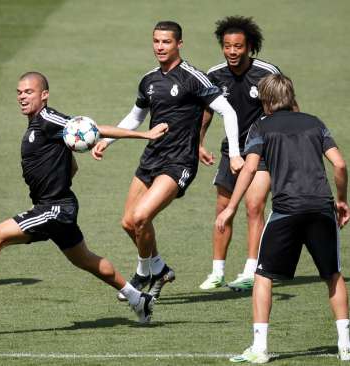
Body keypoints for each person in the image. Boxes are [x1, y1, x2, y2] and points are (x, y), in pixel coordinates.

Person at [0, 72, 169, 326]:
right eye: (19, 92)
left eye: (29, 92)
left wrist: (145, 135)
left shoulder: (48, 119)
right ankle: (137, 299)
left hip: (55, 207)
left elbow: (93, 129)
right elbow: (73, 168)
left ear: (44, 95)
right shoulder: (36, 125)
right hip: (56, 205)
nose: (22, 97)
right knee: (86, 260)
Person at [91, 21, 242, 300]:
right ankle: (159, 268)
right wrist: (108, 140)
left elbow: (228, 112)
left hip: (179, 162)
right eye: (156, 41)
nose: (160, 47)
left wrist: (234, 153)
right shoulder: (149, 80)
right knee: (128, 222)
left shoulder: (193, 77)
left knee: (141, 217)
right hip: (151, 157)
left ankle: (142, 273)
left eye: (166, 42)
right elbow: (136, 116)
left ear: (179, 44)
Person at [216, 74, 350, 363]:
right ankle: (345, 346)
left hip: (286, 211)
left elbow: (250, 170)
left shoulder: (261, 126)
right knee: (332, 274)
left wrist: (230, 208)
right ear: (291, 97)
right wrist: (341, 200)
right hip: (321, 208)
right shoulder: (314, 122)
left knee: (263, 275)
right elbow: (339, 164)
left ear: (265, 101)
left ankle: (260, 349)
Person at [198, 16, 287, 292]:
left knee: (253, 206)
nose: (232, 52)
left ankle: (251, 270)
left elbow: (289, 108)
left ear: (249, 47)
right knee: (223, 209)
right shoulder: (214, 75)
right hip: (231, 151)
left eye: (238, 47)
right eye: (227, 46)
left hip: (263, 151)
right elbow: (206, 113)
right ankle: (217, 271)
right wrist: (198, 142)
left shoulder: (266, 73)